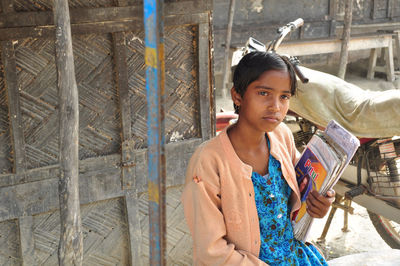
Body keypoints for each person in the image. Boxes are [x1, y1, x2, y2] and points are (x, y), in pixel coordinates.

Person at [181, 51, 335, 265]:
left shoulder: (282, 137)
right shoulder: (209, 161)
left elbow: (300, 190)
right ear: (237, 96)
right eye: (264, 93)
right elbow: (211, 250)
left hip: (293, 256)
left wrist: (318, 203)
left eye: (284, 97)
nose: (276, 106)